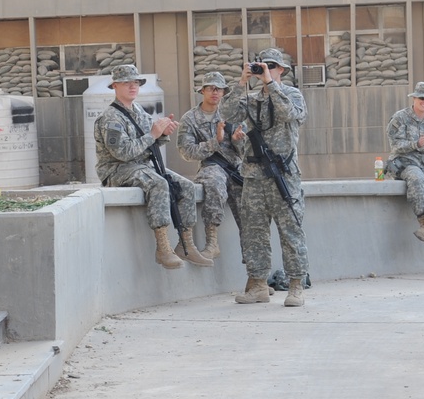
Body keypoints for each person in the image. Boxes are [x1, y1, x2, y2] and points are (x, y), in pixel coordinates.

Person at [93, 64, 213, 270]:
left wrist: (164, 132)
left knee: (185, 186)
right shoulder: (110, 118)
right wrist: (153, 134)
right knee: (158, 184)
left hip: (141, 166)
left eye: (136, 83)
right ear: (115, 86)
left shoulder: (138, 111)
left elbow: (152, 141)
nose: (133, 87)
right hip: (117, 170)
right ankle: (163, 248)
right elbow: (122, 154)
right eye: (126, 83)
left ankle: (186, 244)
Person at [221, 48, 310, 307]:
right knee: (253, 233)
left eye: (272, 66)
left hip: (283, 175)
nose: (266, 69)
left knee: (290, 231)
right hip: (253, 176)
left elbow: (287, 114)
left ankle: (296, 285)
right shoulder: (250, 99)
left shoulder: (291, 94)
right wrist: (241, 82)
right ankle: (258, 284)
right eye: (262, 66)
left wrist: (270, 83)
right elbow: (226, 115)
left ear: (281, 69)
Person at [176, 71, 244, 260]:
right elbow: (186, 152)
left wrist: (238, 141)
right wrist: (215, 141)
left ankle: (256, 275)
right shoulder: (190, 119)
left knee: (250, 210)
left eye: (219, 89)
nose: (215, 92)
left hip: (235, 167)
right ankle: (212, 241)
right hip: (211, 165)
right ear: (202, 91)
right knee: (213, 181)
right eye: (210, 88)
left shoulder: (232, 114)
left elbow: (246, 151)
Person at [385, 82, 424, 247]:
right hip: (406, 161)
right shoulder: (400, 117)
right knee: (417, 179)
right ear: (414, 98)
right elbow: (394, 145)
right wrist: (415, 144)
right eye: (422, 98)